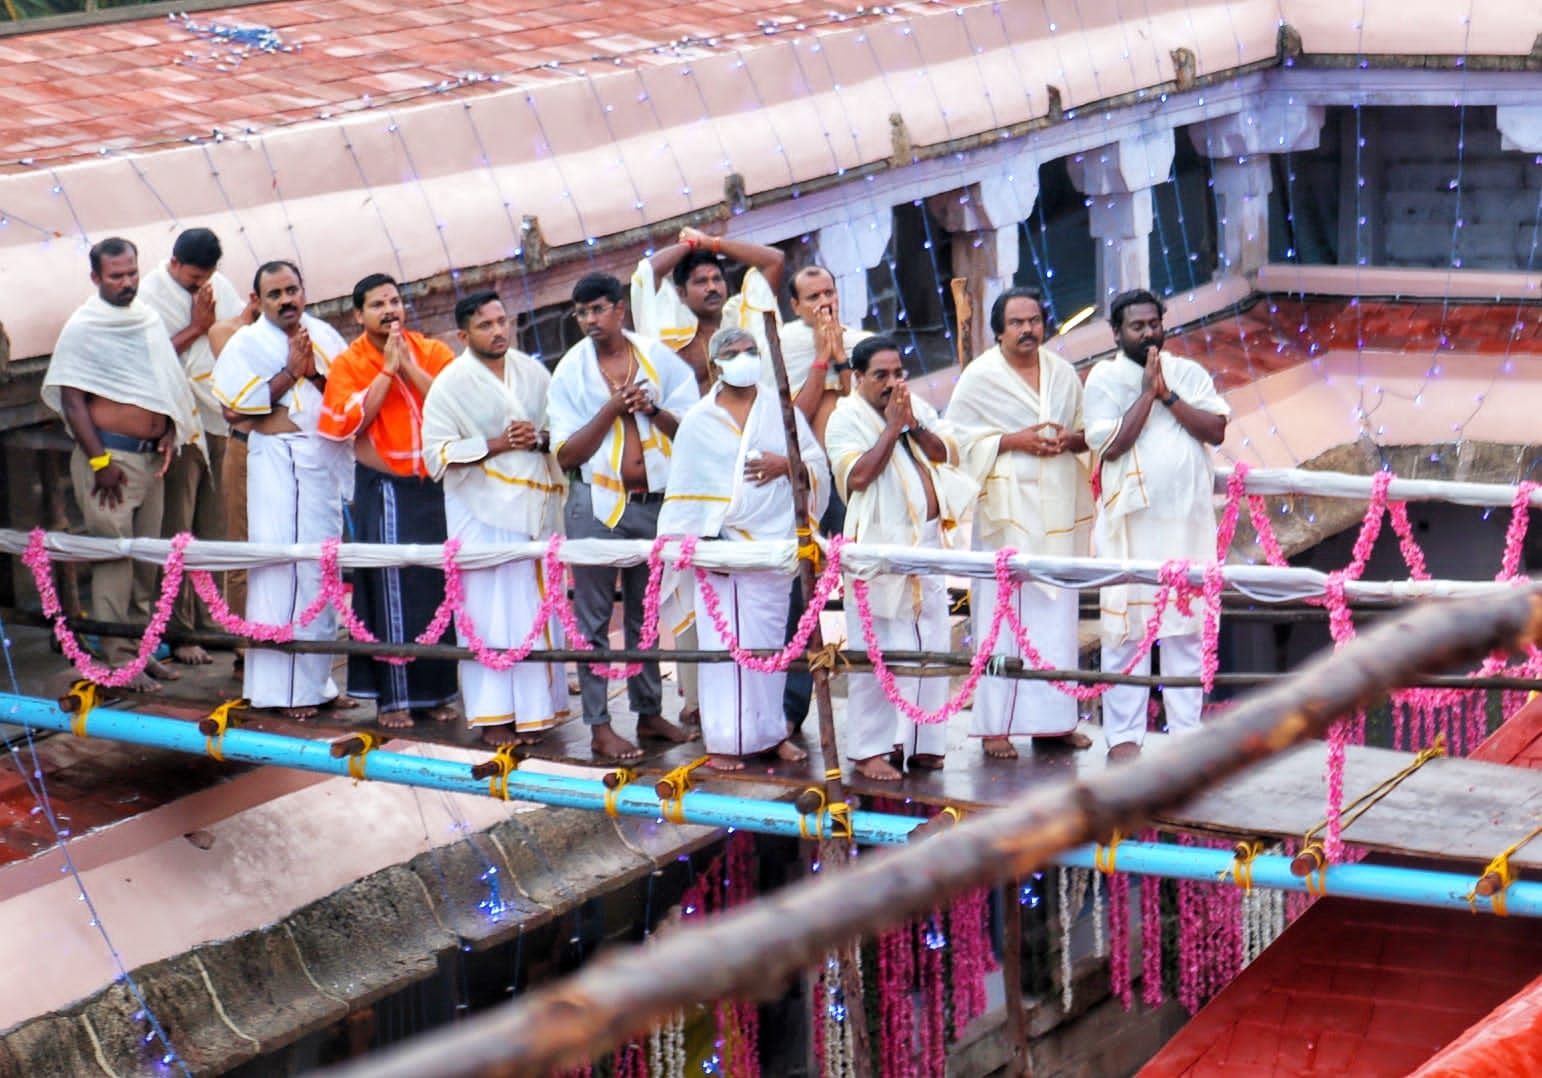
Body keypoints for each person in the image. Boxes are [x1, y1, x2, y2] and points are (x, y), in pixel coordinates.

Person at [630, 226, 787, 728]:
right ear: (682, 293)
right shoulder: (669, 341)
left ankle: (764, 712)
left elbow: (773, 260)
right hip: (694, 483)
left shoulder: (745, 329)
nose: (712, 287)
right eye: (699, 281)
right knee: (698, 608)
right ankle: (701, 707)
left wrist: (714, 244)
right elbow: (641, 277)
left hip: (754, 491)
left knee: (759, 607)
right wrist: (688, 246)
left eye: (717, 279)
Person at [660, 327, 828, 771]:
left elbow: (816, 466)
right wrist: (703, 542)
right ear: (716, 365)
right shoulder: (699, 420)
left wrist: (785, 464)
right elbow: (686, 494)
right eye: (732, 353)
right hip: (725, 551)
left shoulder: (779, 407)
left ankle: (771, 734)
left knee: (771, 648)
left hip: (776, 549)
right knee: (728, 652)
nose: (743, 358)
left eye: (750, 350)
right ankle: (724, 743)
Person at [548, 273, 700, 761]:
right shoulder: (570, 372)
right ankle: (598, 727)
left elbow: (694, 433)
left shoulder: (658, 360)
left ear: (619, 310)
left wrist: (652, 411)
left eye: (597, 310)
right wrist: (612, 409)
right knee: (593, 619)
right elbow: (567, 456)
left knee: (646, 616)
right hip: (596, 506)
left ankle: (650, 714)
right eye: (581, 313)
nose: (589, 320)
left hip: (654, 505)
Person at [41, 237, 205, 693]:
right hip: (108, 462)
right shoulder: (84, 325)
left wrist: (169, 429)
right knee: (114, 558)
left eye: (132, 273)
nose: (127, 282)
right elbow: (73, 400)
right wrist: (99, 460)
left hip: (150, 458)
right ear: (96, 278)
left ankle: (141, 650)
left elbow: (161, 379)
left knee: (145, 559)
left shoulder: (146, 317)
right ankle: (116, 659)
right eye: (116, 276)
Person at [948, 288, 1095, 759]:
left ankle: (1056, 721)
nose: (1029, 329)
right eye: (1018, 322)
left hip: (1058, 512)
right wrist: (1014, 441)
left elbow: (1083, 430)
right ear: (999, 330)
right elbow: (955, 440)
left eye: (1034, 321)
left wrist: (1068, 440)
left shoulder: (1062, 373)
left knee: (1057, 619)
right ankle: (996, 727)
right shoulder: (979, 377)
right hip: (1005, 518)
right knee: (1000, 621)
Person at [1084, 289, 1230, 760]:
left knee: (1185, 631)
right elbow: (1112, 446)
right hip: (1131, 531)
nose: (1148, 333)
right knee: (1127, 631)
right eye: (1137, 326)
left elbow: (1215, 430)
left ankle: (1186, 735)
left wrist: (1168, 393)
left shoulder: (1186, 372)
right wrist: (1148, 394)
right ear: (1117, 333)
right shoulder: (1103, 380)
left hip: (1186, 526)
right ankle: (1124, 737)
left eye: (1154, 324)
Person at [825, 336, 977, 781]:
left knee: (930, 646)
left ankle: (923, 745)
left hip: (926, 546)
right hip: (877, 552)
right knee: (876, 654)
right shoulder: (844, 418)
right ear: (858, 378)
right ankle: (870, 751)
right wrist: (891, 428)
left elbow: (947, 454)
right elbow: (855, 477)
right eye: (881, 376)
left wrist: (912, 425)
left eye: (898, 374)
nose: (893, 384)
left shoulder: (914, 408)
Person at [422, 291, 569, 745]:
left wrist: (541, 437)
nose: (499, 331)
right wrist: (499, 443)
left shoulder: (532, 371)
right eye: (486, 325)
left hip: (533, 508)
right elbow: (435, 454)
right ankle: (493, 717)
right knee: (489, 611)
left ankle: (538, 712)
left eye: (502, 321)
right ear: (464, 335)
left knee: (533, 604)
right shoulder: (449, 384)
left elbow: (561, 429)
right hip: (478, 512)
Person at [212, 260, 354, 719]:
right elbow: (234, 410)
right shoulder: (247, 343)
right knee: (284, 572)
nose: (286, 300)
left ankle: (318, 682)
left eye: (292, 289)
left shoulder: (324, 333)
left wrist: (310, 373)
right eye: (274, 294)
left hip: (320, 464)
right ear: (258, 300)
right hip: (277, 464)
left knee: (320, 571)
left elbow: (343, 392)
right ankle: (286, 691)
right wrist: (290, 374)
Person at [320, 274, 460, 729]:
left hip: (436, 488)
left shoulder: (432, 351)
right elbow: (343, 423)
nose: (390, 310)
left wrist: (407, 366)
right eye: (378, 304)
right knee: (391, 592)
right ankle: (394, 700)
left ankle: (435, 694)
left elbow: (451, 402)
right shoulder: (350, 362)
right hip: (385, 490)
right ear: (358, 315)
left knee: (438, 589)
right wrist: (385, 371)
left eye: (395, 301)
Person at [138, 227, 246, 665]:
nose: (200, 286)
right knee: (178, 530)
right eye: (192, 279)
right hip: (178, 423)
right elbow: (149, 354)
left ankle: (213, 620)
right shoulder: (149, 294)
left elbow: (237, 333)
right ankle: (180, 632)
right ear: (175, 264)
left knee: (216, 525)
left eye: (206, 278)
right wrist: (198, 327)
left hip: (219, 416)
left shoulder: (218, 285)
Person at [777, 265, 870, 443]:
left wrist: (841, 357)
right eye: (814, 297)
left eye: (829, 293)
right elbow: (794, 423)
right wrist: (821, 359)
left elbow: (868, 414)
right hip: (811, 460)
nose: (825, 302)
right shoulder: (782, 345)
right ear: (796, 306)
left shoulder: (860, 343)